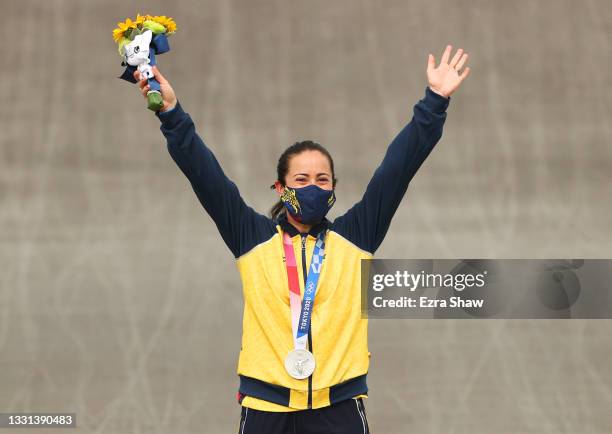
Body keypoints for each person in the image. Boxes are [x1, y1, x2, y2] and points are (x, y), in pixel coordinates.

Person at [134, 44, 470, 434]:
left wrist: (435, 102)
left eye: (322, 180)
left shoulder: (356, 237)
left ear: (333, 189)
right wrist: (171, 114)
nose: (313, 187)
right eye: (301, 180)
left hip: (339, 406)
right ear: (281, 187)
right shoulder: (251, 237)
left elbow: (397, 169)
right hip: (266, 407)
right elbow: (202, 171)